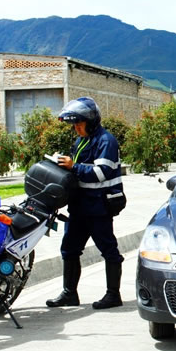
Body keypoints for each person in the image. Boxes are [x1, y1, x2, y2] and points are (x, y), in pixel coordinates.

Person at [46, 97, 125, 310]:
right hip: (80, 206)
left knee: (109, 250)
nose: (76, 129)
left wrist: (73, 167)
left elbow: (101, 173)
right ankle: (69, 294)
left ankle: (113, 295)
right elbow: (77, 168)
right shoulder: (82, 141)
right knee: (69, 249)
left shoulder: (106, 141)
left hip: (99, 207)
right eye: (74, 126)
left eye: (79, 125)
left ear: (91, 122)